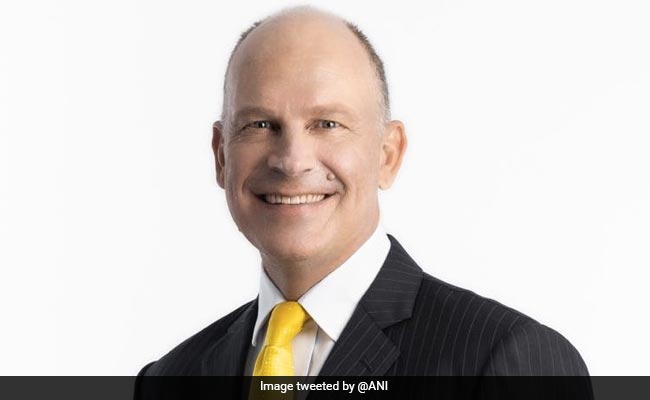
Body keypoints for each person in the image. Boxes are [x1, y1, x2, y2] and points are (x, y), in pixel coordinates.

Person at [138, 6, 589, 379]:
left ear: (388, 154)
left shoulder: (505, 361)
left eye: (327, 124)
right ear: (221, 156)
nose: (292, 161)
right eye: (260, 124)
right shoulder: (169, 380)